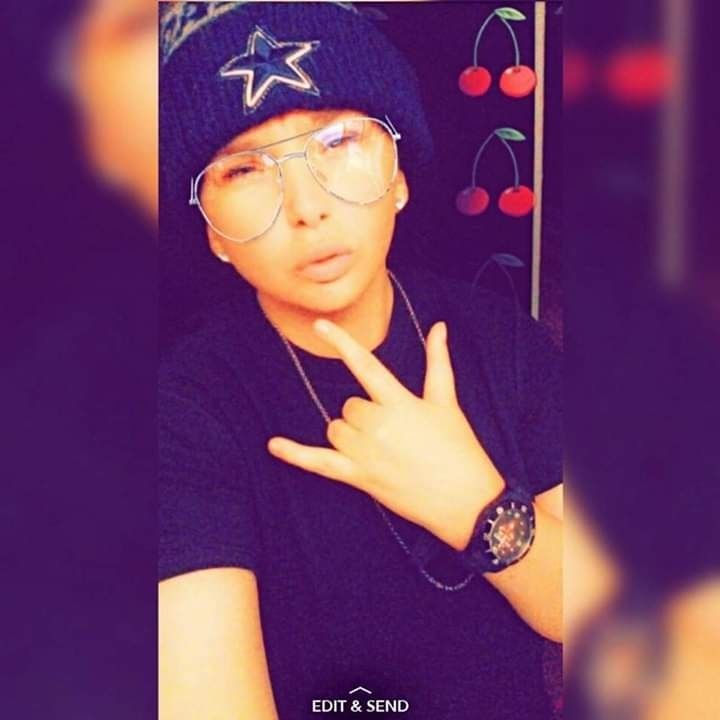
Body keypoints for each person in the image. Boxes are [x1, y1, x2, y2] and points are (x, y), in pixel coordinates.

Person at [158, 3, 562, 719]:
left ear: (399, 175)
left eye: (339, 140)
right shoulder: (182, 411)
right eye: (245, 169)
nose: (308, 206)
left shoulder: (503, 341)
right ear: (212, 231)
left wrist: (477, 508)